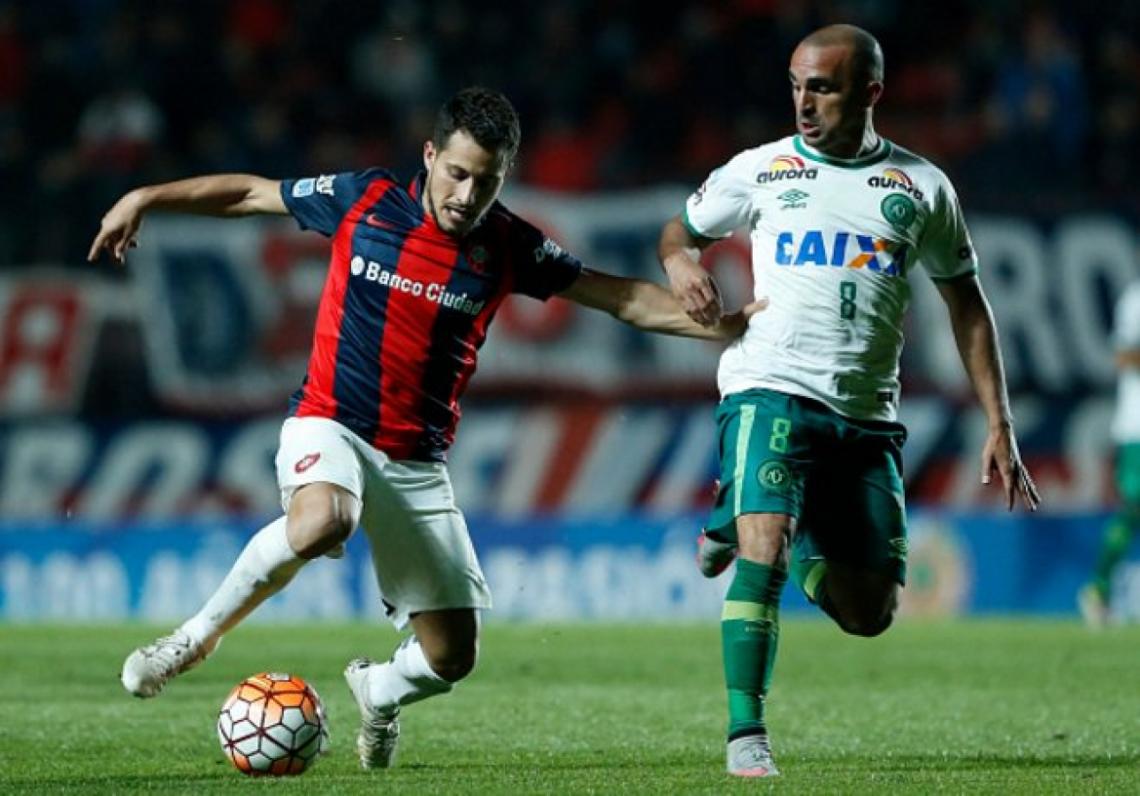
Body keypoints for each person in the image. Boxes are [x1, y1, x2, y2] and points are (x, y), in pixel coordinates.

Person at [88, 86, 760, 770]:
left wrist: (729, 326)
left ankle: (377, 691)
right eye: (458, 173)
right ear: (430, 155)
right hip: (327, 422)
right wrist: (147, 197)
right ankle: (194, 639)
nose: (468, 196)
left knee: (452, 658)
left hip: (415, 462)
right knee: (324, 521)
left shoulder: (508, 245)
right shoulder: (366, 199)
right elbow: (251, 194)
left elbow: (618, 298)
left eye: (488, 182)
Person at [656, 24, 1040, 778]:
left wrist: (1000, 419)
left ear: (871, 92)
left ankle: (743, 513)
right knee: (763, 545)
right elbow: (681, 228)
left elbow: (967, 303)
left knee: (869, 614)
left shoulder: (921, 188)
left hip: (865, 417)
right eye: (796, 85)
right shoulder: (760, 170)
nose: (803, 103)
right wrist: (679, 262)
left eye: (822, 88)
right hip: (769, 385)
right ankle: (746, 735)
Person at [1079, 280, 1140, 627]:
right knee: (1133, 507)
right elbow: (1124, 355)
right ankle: (1098, 590)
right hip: (1138, 426)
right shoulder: (1135, 299)